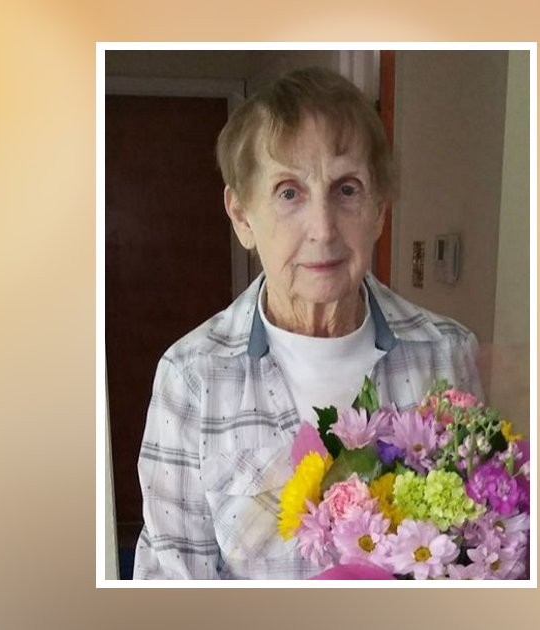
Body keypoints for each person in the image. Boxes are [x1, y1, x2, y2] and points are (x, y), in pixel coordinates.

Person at [132, 66, 483, 579]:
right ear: (242, 216)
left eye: (347, 189)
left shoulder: (447, 355)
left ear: (379, 210)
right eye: (288, 192)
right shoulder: (191, 377)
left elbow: (472, 552)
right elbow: (169, 581)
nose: (323, 229)